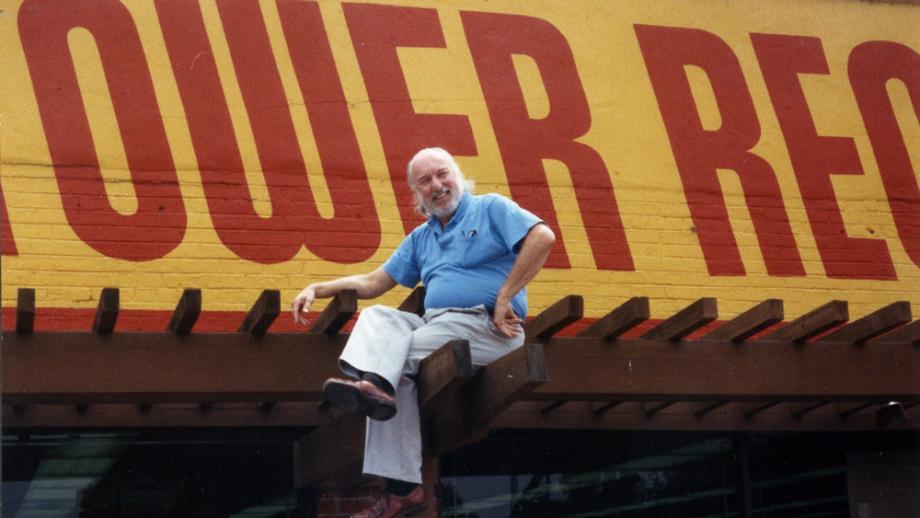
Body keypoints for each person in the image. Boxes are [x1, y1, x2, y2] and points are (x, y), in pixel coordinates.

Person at [292, 147, 555, 518]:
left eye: (442, 174)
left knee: (392, 360)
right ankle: (403, 487)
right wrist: (317, 288)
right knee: (378, 319)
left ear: (458, 175)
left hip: (487, 328)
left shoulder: (490, 208)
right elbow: (373, 282)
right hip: (439, 328)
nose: (437, 185)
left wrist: (505, 296)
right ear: (417, 193)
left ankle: (378, 398)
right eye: (425, 181)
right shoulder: (421, 238)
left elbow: (543, 237)